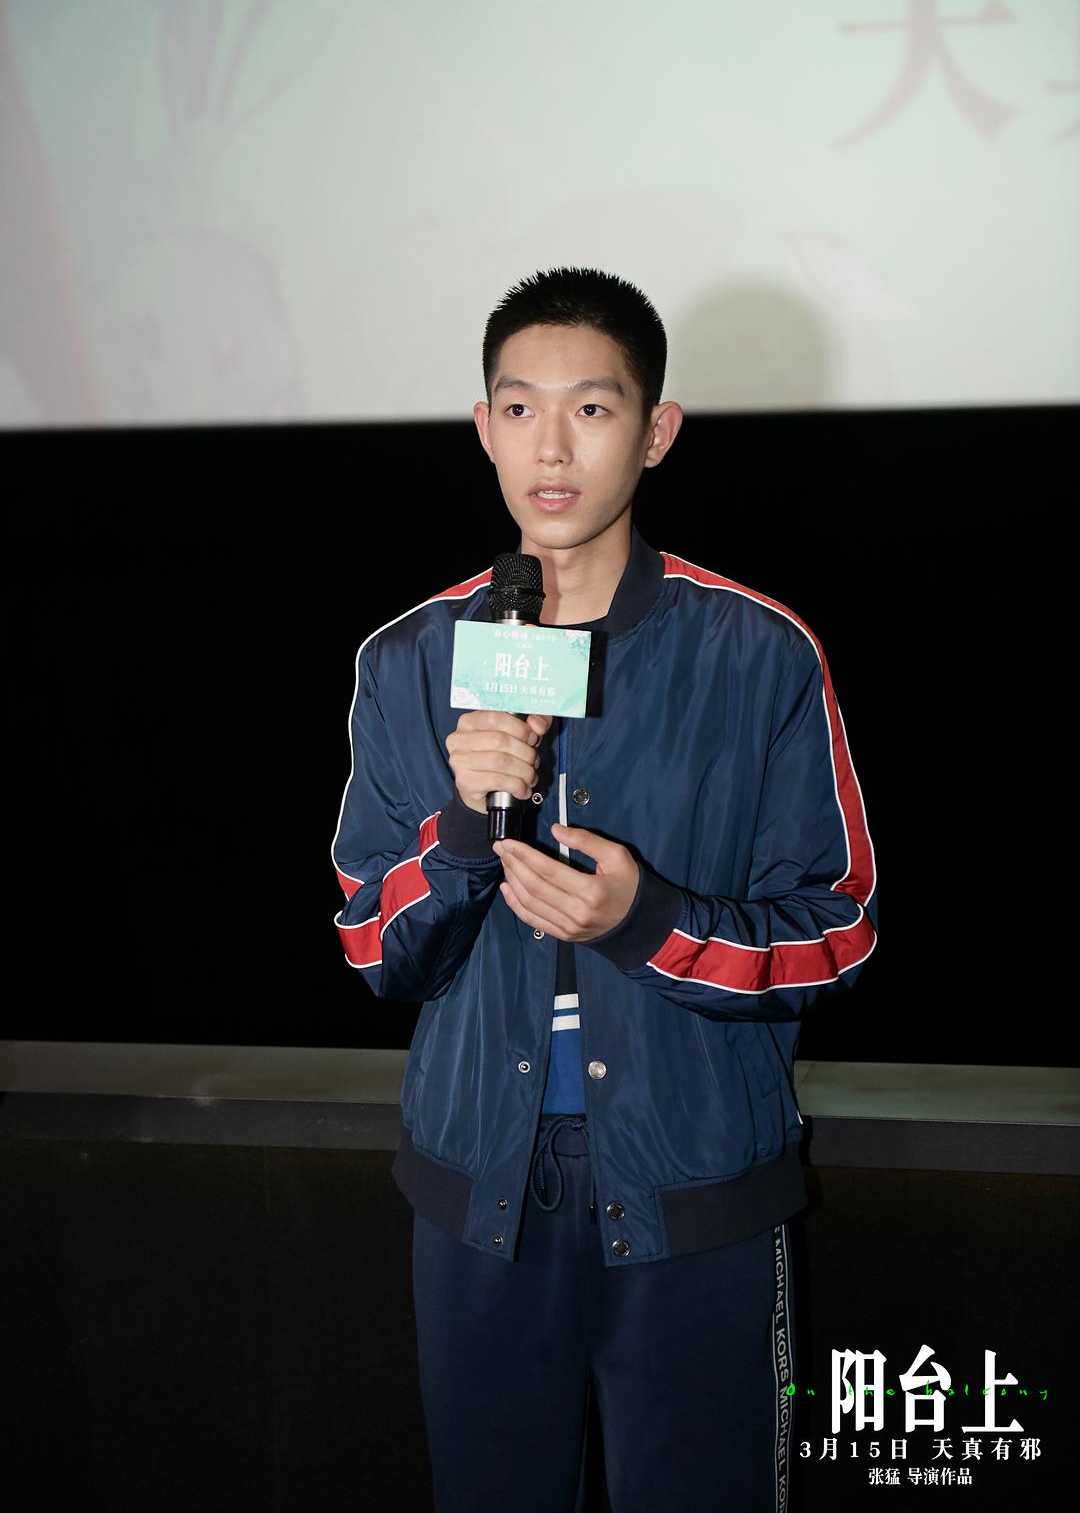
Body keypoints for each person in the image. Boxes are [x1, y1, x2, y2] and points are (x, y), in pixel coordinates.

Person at [331, 266, 877, 1512]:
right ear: (484, 429)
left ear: (656, 431)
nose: (552, 447)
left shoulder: (759, 652)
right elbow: (371, 945)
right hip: (480, 1194)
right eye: (520, 409)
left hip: (698, 1188)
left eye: (591, 408)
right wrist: (462, 830)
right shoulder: (410, 659)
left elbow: (840, 932)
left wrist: (648, 922)